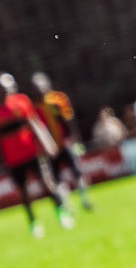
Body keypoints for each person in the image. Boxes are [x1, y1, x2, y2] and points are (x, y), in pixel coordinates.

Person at [0, 72, 72, 236]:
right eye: (6, 86)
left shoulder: (21, 101)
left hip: (32, 153)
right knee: (24, 193)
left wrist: (47, 143)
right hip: (13, 160)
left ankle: (62, 212)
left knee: (47, 184)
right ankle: (33, 222)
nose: (10, 88)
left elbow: (34, 123)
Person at [30, 71, 93, 213]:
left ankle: (85, 200)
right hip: (49, 149)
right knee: (57, 177)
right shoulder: (33, 108)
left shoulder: (58, 99)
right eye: (35, 87)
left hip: (64, 143)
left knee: (76, 171)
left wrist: (75, 141)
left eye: (40, 86)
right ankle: (67, 205)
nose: (38, 90)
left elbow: (69, 121)